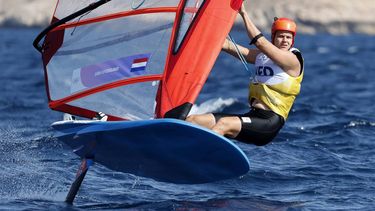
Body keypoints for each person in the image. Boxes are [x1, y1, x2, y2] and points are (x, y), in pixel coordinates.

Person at [186, 2, 304, 146]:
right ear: (274, 38)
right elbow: (227, 45)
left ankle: (202, 158)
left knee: (223, 124)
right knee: (192, 121)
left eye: (288, 37)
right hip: (252, 116)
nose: (285, 40)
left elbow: (260, 43)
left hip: (269, 122)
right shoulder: (261, 57)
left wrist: (243, 13)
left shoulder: (293, 60)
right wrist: (200, 26)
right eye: (281, 36)